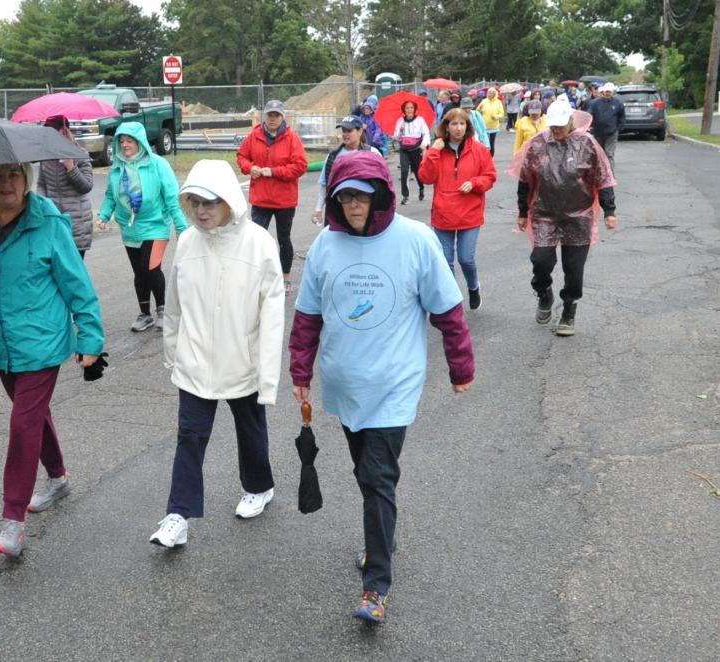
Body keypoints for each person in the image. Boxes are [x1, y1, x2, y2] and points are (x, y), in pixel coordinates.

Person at [288, 151, 474, 623]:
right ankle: (381, 538)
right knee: (367, 475)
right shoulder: (326, 247)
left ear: (381, 196)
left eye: (362, 197)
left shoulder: (414, 240)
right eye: (345, 197)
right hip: (346, 385)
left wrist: (460, 368)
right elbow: (307, 318)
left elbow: (448, 312)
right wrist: (300, 372)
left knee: (376, 477)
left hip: (394, 383)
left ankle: (376, 586)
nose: (354, 206)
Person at [0, 162, 105, 557]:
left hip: (42, 341)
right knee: (33, 416)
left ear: (26, 180)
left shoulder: (49, 224)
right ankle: (57, 477)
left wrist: (90, 338)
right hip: (0, 344)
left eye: (14, 175)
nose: (6, 184)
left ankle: (13, 520)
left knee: (22, 424)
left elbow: (78, 284)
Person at [149, 159, 284, 550]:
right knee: (190, 435)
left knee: (250, 427)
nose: (202, 210)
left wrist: (268, 376)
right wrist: (173, 353)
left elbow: (272, 313)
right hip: (194, 361)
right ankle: (178, 515)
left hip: (241, 360)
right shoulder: (188, 241)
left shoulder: (259, 243)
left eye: (210, 202)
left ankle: (258, 486)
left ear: (229, 201)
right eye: (195, 202)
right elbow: (174, 305)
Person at [511, 100, 619, 336]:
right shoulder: (539, 144)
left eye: (562, 125)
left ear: (571, 121)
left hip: (578, 216)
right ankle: (543, 293)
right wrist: (522, 211)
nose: (557, 130)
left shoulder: (587, 144)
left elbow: (603, 178)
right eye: (554, 126)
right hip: (544, 214)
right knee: (540, 261)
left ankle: (569, 310)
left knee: (573, 268)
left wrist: (609, 211)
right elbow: (525, 180)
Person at [98, 122, 188, 332]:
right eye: (122, 141)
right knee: (139, 272)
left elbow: (172, 197)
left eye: (129, 141)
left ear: (140, 142)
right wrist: (103, 215)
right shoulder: (116, 168)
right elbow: (111, 196)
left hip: (155, 225)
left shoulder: (157, 164)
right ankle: (145, 314)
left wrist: (181, 226)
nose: (125, 145)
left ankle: (163, 311)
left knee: (152, 268)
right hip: (129, 227)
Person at [418, 108, 497, 310]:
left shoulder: (478, 149)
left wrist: (474, 183)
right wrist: (434, 151)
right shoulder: (437, 149)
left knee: (466, 258)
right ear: (446, 126)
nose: (458, 128)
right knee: (446, 262)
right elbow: (425, 178)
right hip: (443, 214)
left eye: (462, 124)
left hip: (470, 213)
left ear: (468, 126)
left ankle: (473, 287)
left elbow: (490, 176)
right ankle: (452, 299)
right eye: (454, 124)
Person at [237, 99, 308, 294]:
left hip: (284, 200)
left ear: (282, 116)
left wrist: (274, 172)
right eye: (270, 115)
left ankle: (285, 278)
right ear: (265, 116)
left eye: (277, 115)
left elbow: (300, 166)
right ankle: (257, 277)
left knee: (284, 239)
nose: (273, 118)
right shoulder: (254, 135)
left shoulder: (292, 138)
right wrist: (249, 168)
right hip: (261, 199)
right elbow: (241, 156)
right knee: (257, 240)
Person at [37, 114, 94, 259]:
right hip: (53, 219)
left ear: (63, 131)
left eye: (52, 132)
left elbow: (86, 186)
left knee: (74, 272)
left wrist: (71, 167)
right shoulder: (46, 155)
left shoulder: (80, 154)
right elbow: (41, 184)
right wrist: (42, 204)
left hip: (76, 222)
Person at [311, 115, 382, 225]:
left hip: (365, 210)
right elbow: (325, 185)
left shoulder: (373, 154)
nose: (345, 134)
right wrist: (318, 209)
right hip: (337, 210)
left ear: (360, 131)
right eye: (344, 130)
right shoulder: (333, 156)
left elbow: (383, 185)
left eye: (349, 130)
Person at [393, 100, 430, 205]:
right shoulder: (400, 121)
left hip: (416, 148)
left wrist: (424, 144)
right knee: (404, 171)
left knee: (417, 171)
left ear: (414, 109)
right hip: (404, 148)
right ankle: (405, 196)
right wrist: (400, 131)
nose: (409, 110)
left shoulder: (420, 120)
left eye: (411, 108)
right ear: (404, 110)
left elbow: (426, 133)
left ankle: (421, 187)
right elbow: (396, 136)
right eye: (407, 108)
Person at [587, 82, 626, 171]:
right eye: (606, 92)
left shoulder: (618, 103)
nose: (607, 93)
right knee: (599, 154)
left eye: (609, 92)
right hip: (598, 132)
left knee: (609, 154)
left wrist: (619, 127)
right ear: (603, 92)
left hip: (611, 133)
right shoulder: (595, 103)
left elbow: (622, 116)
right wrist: (589, 125)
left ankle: (610, 175)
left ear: (612, 92)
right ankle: (600, 174)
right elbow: (589, 114)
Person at [476, 87, 505, 157]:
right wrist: (479, 108)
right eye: (488, 93)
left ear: (495, 94)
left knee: (491, 143)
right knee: (484, 143)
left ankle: (490, 158)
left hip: (494, 126)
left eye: (491, 93)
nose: (489, 94)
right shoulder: (484, 101)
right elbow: (477, 112)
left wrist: (496, 116)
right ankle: (483, 157)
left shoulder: (498, 102)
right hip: (484, 125)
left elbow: (502, 114)